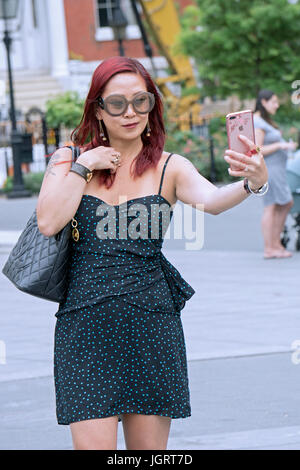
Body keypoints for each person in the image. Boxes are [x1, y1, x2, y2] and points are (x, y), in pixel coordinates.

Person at [36, 56, 268, 450]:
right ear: (98, 108)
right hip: (85, 326)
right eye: (117, 103)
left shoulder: (169, 167)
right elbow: (49, 221)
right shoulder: (68, 159)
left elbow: (211, 200)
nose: (130, 113)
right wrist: (85, 164)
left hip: (151, 323)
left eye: (141, 102)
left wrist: (253, 183)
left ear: (152, 106)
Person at [253, 90, 296, 259]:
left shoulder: (263, 121)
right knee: (272, 205)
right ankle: (270, 247)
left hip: (276, 170)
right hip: (270, 170)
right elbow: (257, 149)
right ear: (264, 102)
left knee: (282, 204)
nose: (277, 105)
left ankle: (275, 245)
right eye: (274, 102)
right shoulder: (258, 122)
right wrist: (281, 146)